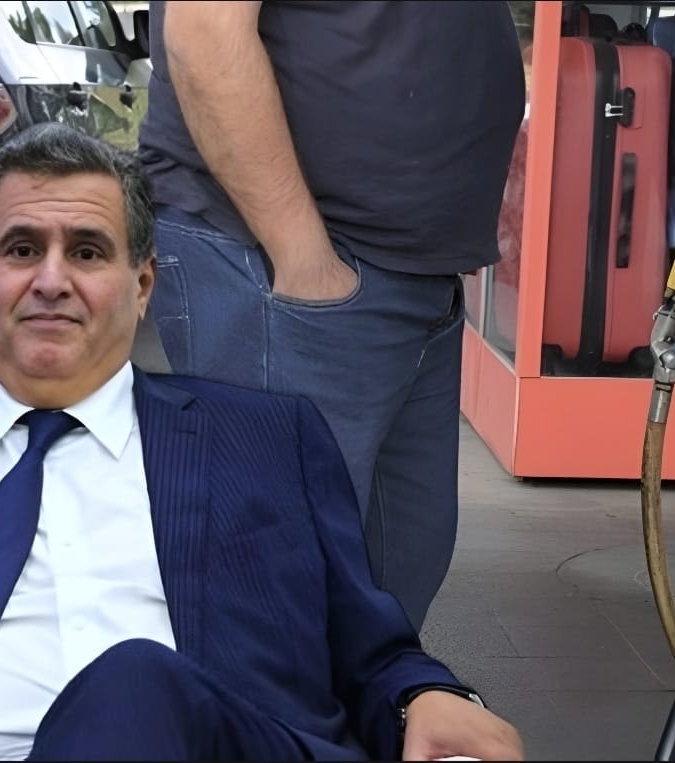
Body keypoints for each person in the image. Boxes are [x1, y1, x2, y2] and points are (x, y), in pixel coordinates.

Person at [0, 123, 523, 762]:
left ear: (143, 284)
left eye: (87, 251)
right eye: (22, 249)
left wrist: (426, 697)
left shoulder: (266, 440)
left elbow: (372, 652)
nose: (51, 280)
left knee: (132, 683)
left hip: (208, 741)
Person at [138, 1, 526, 631]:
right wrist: (304, 260)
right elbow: (204, 30)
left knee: (392, 577)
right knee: (274, 592)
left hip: (399, 275)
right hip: (288, 261)